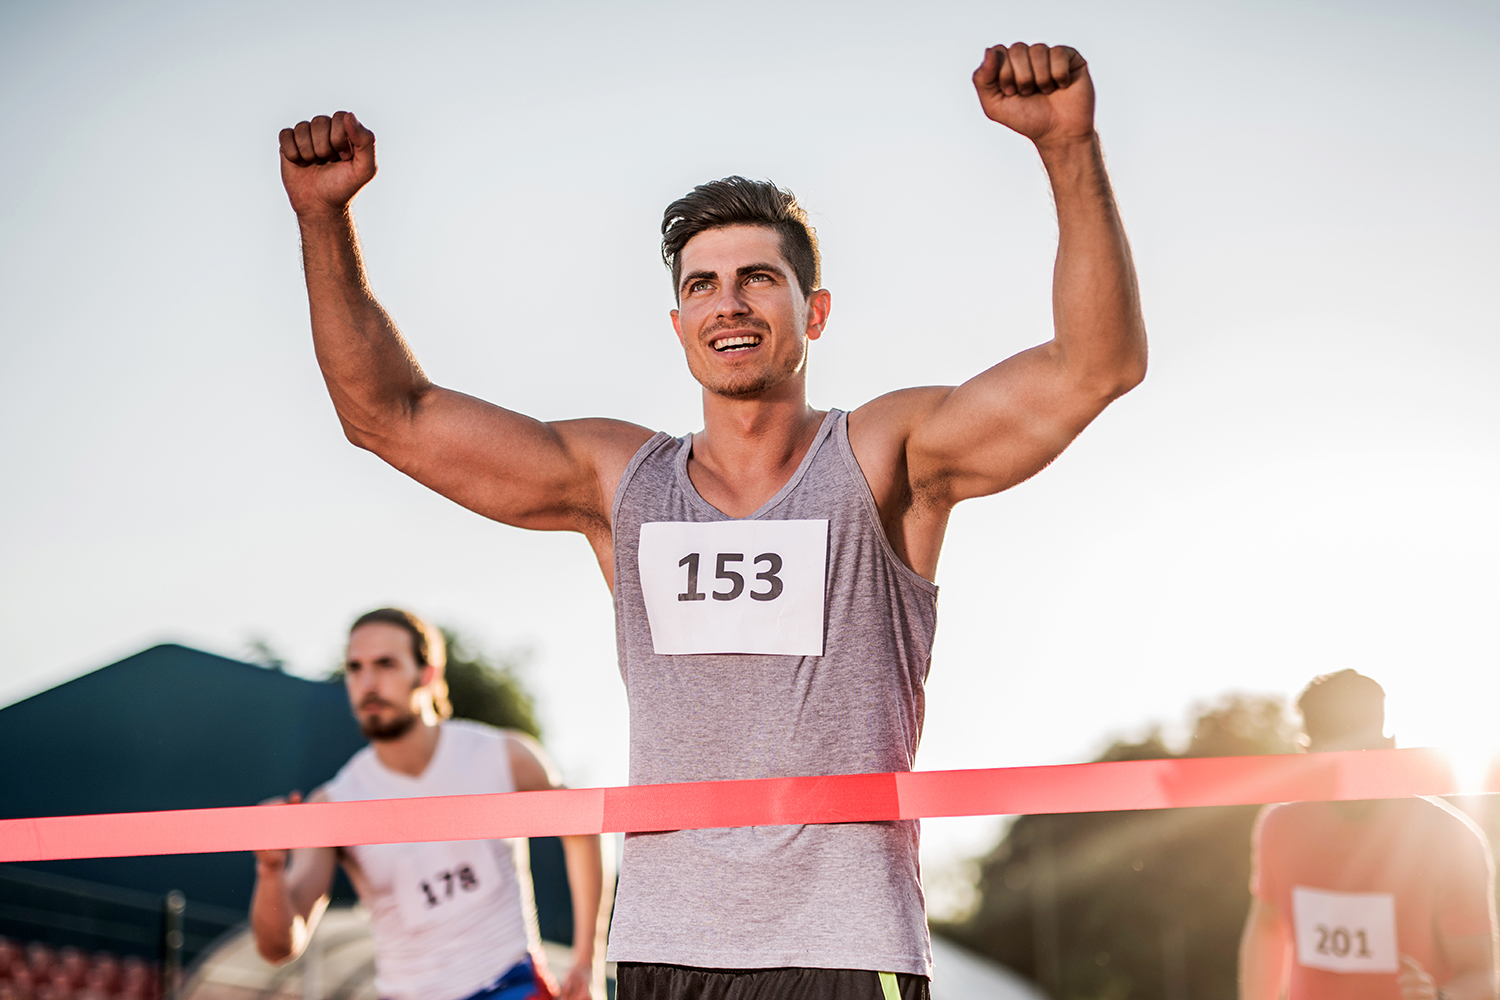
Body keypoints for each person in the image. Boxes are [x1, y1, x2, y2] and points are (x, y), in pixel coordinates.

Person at [276, 40, 1146, 999]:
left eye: (756, 279)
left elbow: (1093, 365)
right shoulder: (622, 482)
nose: (727, 304)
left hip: (844, 952)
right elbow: (385, 415)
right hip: (665, 955)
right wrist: (324, 218)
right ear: (679, 322)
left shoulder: (885, 456)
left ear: (813, 312)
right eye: (701, 285)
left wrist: (1069, 146)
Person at [250, 608, 609, 1000]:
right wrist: (270, 870)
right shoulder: (336, 801)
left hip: (512, 984)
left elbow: (585, 828)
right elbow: (279, 947)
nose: (367, 682)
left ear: (427, 673)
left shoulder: (502, 755)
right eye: (355, 668)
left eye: (385, 664)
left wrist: (586, 961)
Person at [1239, 670, 1498, 1000]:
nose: (1351, 777)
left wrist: (1439, 998)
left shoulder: (1451, 839)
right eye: (1334, 758)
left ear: (1390, 745)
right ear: (1307, 754)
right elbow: (1267, 928)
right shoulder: (1280, 826)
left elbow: (1480, 977)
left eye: (1363, 752)